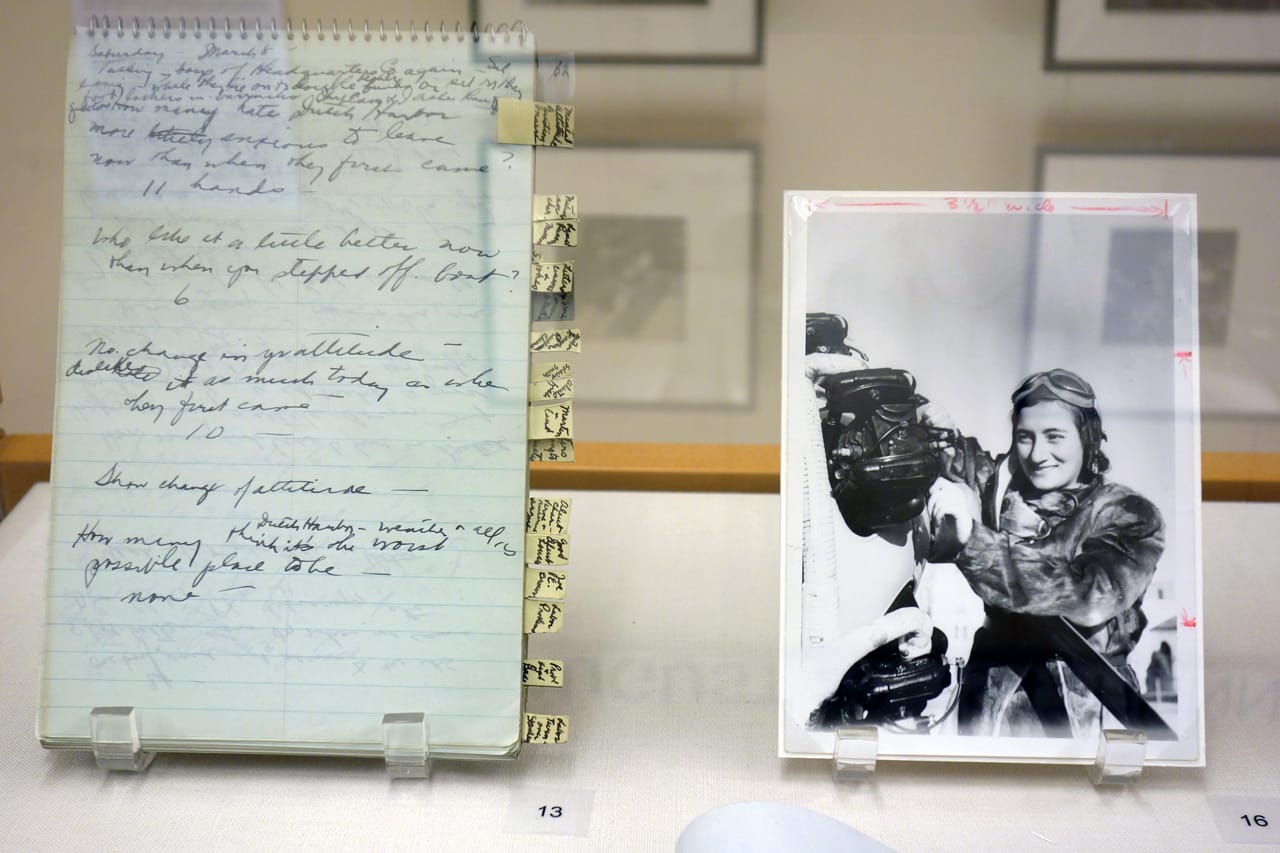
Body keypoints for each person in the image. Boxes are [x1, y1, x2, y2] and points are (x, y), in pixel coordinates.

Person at [926, 368, 1165, 738]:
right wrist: (928, 422)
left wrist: (974, 543)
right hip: (988, 705)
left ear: (1087, 438)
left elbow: (1087, 596)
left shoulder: (1129, 513)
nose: (1038, 455)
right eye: (1025, 437)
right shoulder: (1000, 490)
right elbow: (955, 455)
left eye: (1055, 436)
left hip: (1082, 705)